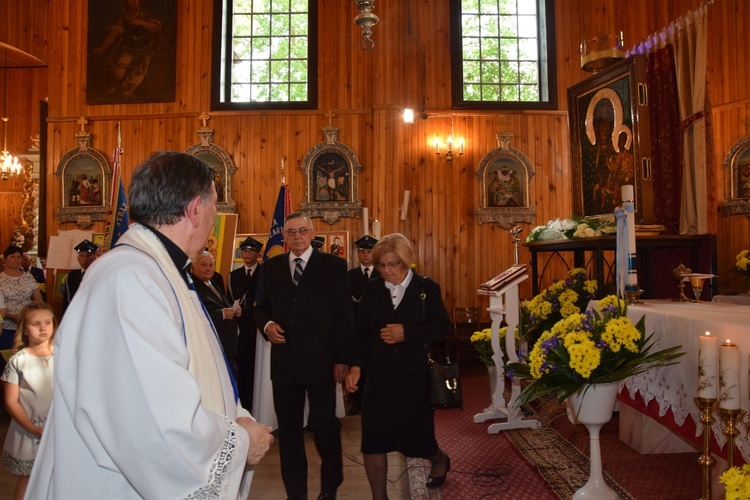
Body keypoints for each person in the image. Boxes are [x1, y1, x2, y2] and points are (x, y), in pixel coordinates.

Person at [26, 151, 274, 499]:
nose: (214, 216)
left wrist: (238, 419)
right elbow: (150, 420)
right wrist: (239, 441)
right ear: (194, 209)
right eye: (214, 206)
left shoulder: (163, 272)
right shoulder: (128, 277)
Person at [254, 212, 355, 500]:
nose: (297, 236)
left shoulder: (333, 266)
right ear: (283, 236)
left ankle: (330, 487)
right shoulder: (271, 268)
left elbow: (345, 317)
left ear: (311, 234)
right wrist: (268, 324)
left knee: (325, 428)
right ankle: (295, 494)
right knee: (289, 435)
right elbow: (260, 308)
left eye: (302, 231)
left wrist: (342, 359)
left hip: (322, 364)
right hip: (285, 366)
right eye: (290, 232)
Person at [345, 233, 452, 499]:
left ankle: (438, 459)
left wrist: (408, 333)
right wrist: (356, 367)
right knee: (373, 442)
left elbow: (443, 327)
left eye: (393, 264)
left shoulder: (427, 288)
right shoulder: (372, 288)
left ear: (407, 261)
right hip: (378, 376)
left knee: (418, 439)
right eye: (382, 265)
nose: (387, 271)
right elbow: (362, 333)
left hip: (413, 376)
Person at [2, 303, 57, 500]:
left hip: (57, 429)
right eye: (36, 323)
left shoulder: (64, 355)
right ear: (24, 328)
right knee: (28, 479)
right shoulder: (18, 360)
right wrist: (32, 428)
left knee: (57, 478)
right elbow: (11, 402)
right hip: (28, 430)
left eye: (47, 322)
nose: (43, 328)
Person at [227, 236, 263, 409]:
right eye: (245, 250)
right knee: (242, 368)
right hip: (241, 329)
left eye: (251, 250)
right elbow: (229, 300)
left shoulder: (265, 273)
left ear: (258, 253)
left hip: (259, 328)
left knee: (258, 369)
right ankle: (243, 405)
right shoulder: (233, 276)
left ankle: (258, 405)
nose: (247, 253)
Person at [345, 235, 380, 416]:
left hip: (376, 329)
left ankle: (375, 402)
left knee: (375, 366)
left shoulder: (382, 274)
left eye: (369, 251)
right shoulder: (350, 276)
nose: (365, 255)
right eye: (362, 251)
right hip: (356, 328)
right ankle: (357, 402)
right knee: (357, 365)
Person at [190, 251, 241, 366]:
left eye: (211, 265)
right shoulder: (192, 287)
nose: (208, 268)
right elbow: (195, 316)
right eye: (204, 265)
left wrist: (234, 310)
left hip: (225, 347)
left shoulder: (212, 283)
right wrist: (222, 314)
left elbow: (223, 305)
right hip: (210, 348)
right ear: (193, 267)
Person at [0, 246, 43, 351]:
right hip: (6, 326)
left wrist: (28, 313)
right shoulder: (1, 279)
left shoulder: (28, 277)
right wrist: (11, 316)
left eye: (19, 257)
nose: (16, 259)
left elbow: (38, 301)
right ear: (5, 259)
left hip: (27, 325)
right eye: (12, 256)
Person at [60, 239, 99, 316]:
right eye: (82, 255)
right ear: (78, 259)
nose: (85, 258)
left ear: (94, 257)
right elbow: (67, 300)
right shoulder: (72, 276)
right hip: (76, 314)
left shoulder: (100, 274)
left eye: (88, 255)